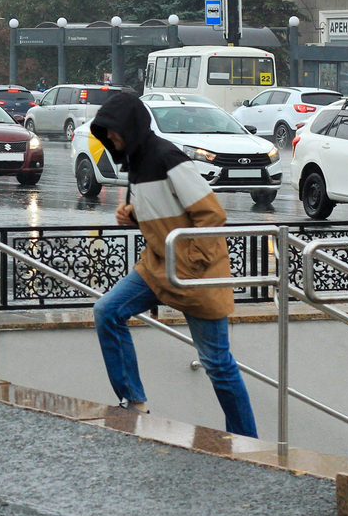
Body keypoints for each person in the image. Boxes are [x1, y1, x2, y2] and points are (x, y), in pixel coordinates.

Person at [88, 92, 258, 438]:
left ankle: (246, 441)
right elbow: (163, 211)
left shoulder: (167, 156)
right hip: (155, 268)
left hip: (195, 274)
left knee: (217, 364)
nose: (112, 139)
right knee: (107, 311)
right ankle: (133, 400)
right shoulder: (135, 162)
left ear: (131, 127)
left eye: (115, 132)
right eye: (107, 134)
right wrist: (132, 215)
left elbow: (212, 214)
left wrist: (193, 262)